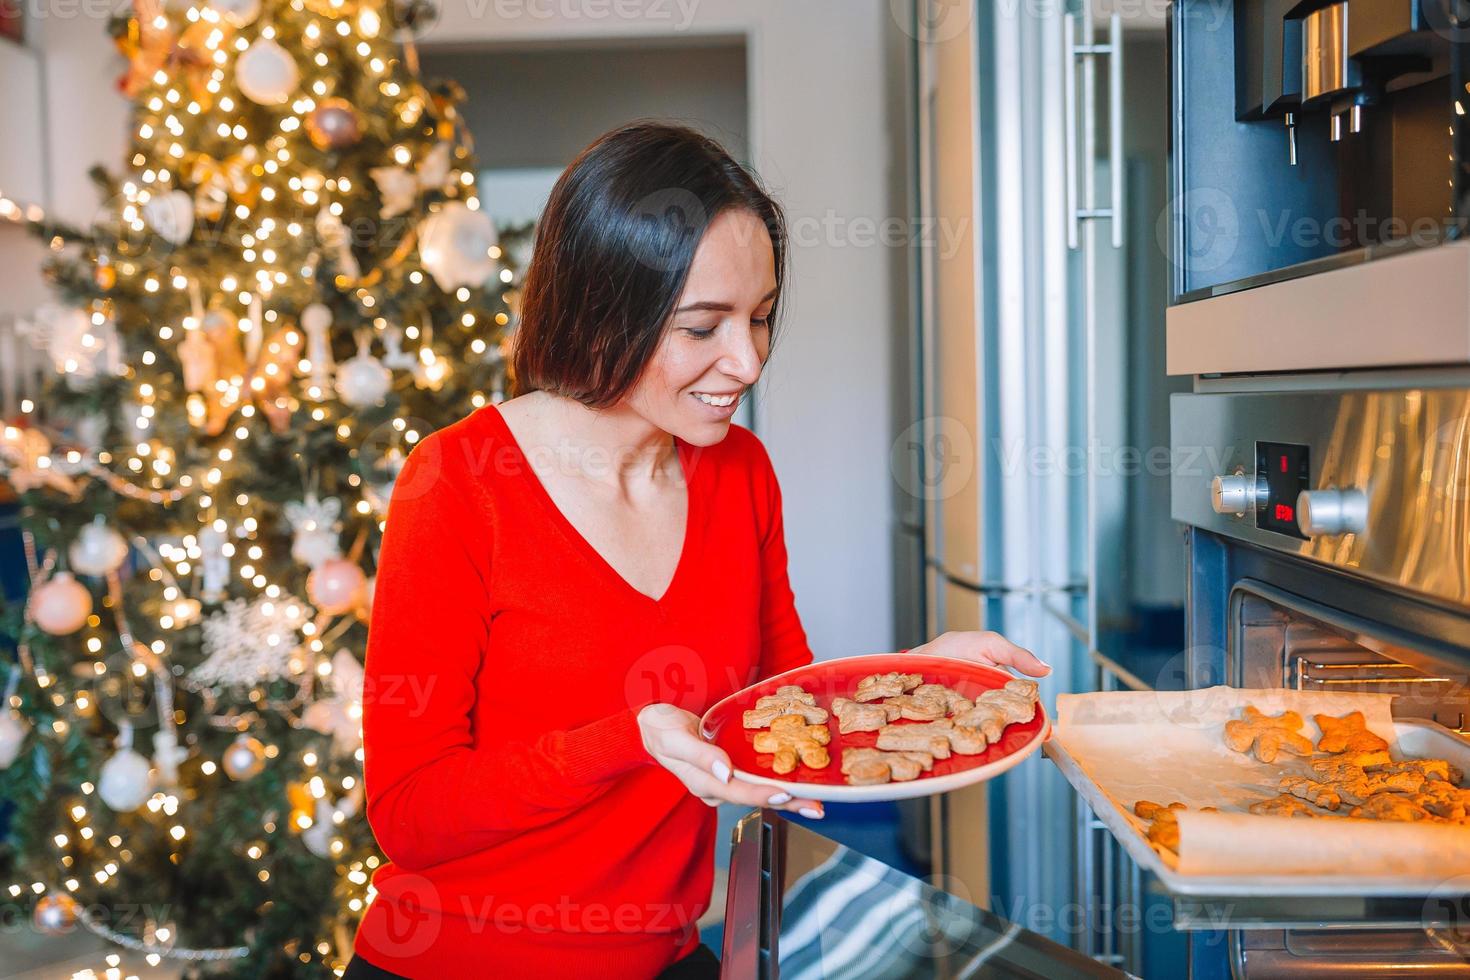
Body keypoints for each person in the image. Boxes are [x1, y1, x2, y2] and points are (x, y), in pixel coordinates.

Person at [344, 121, 1050, 979]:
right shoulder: (458, 481)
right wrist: (629, 739)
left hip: (662, 956)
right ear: (603, 311)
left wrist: (922, 680)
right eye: (703, 327)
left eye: (759, 319)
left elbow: (783, 711)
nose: (747, 362)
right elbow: (410, 812)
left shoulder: (739, 471)